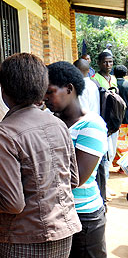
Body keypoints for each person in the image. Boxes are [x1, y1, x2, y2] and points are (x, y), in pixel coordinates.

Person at [0, 53, 81, 258]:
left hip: (24, 238)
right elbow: (72, 179)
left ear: (5, 92)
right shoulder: (59, 124)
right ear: (42, 89)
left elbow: (13, 203)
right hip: (63, 230)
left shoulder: (4, 134)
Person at [45, 61, 108, 258]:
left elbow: (76, 178)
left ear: (69, 89)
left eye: (50, 92)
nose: (45, 98)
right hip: (58, 215)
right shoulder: (51, 121)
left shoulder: (91, 125)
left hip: (84, 217)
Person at [93, 51, 118, 197]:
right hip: (103, 123)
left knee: (112, 153)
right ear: (99, 63)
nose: (108, 65)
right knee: (104, 154)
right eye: (105, 62)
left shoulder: (113, 78)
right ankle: (104, 186)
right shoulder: (94, 79)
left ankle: (106, 184)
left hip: (113, 122)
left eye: (110, 62)